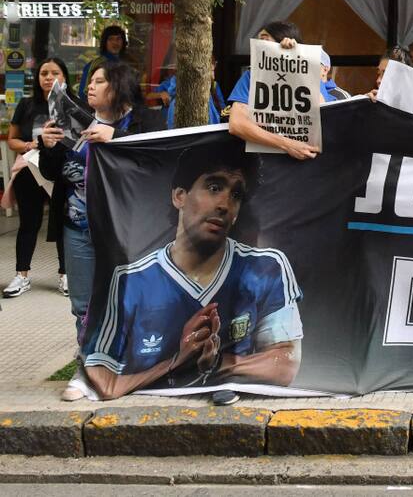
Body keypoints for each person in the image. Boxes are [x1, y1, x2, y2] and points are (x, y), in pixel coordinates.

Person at [82, 142, 303, 401]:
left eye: (236, 195)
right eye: (214, 187)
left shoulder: (267, 267)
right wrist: (177, 361)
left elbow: (286, 363)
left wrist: (216, 363)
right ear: (179, 196)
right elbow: (104, 380)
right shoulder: (130, 280)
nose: (224, 204)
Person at [37, 61, 167, 401]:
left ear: (118, 85)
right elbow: (54, 174)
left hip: (127, 230)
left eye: (99, 81)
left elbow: (160, 159)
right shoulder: (73, 120)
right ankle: (87, 371)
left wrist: (116, 137)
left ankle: (130, 367)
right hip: (78, 227)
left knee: (128, 300)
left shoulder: (145, 120)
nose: (89, 87)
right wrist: (48, 146)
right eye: (89, 81)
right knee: (83, 306)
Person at [3, 57, 70, 298]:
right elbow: (12, 140)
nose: (49, 78)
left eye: (55, 73)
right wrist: (31, 143)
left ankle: (65, 275)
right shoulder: (26, 104)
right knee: (28, 224)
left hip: (62, 172)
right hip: (30, 169)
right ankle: (22, 275)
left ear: (64, 77)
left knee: (63, 223)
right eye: (44, 73)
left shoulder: (73, 105)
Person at [227, 21, 320, 160]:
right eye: (258, 41)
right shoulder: (251, 76)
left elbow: (322, 111)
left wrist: (295, 60)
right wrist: (288, 144)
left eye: (264, 40)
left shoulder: (310, 74)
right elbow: (237, 124)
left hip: (306, 161)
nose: (259, 46)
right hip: (265, 163)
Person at [152, 57, 226, 128]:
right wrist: (161, 94)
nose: (213, 77)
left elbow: (221, 110)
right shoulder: (184, 99)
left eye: (213, 71)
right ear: (198, 72)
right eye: (211, 71)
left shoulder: (212, 88)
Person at [78, 25, 129, 99]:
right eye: (110, 39)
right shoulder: (96, 64)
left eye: (118, 39)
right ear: (104, 42)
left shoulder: (127, 63)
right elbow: (83, 93)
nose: (115, 42)